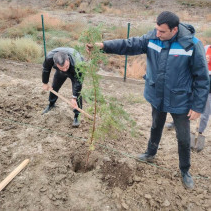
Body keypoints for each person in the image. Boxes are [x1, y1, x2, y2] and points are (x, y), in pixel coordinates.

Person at [86, 11, 210, 189]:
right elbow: (129, 45)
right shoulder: (153, 37)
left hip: (180, 99)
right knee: (155, 126)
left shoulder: (191, 45)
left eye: (162, 31)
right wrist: (103, 46)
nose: (157, 34)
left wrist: (198, 106)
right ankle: (150, 153)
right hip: (157, 95)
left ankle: (185, 170)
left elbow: (202, 78)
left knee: (183, 138)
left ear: (174, 30)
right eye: (156, 29)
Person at [42, 47, 84, 127]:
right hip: (59, 72)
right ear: (55, 63)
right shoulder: (49, 58)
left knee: (77, 94)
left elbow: (78, 82)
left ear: (68, 60)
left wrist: (74, 97)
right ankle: (51, 104)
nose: (65, 70)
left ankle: (77, 116)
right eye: (62, 68)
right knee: (54, 87)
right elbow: (46, 69)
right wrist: (45, 82)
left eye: (66, 67)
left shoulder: (78, 63)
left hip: (75, 71)